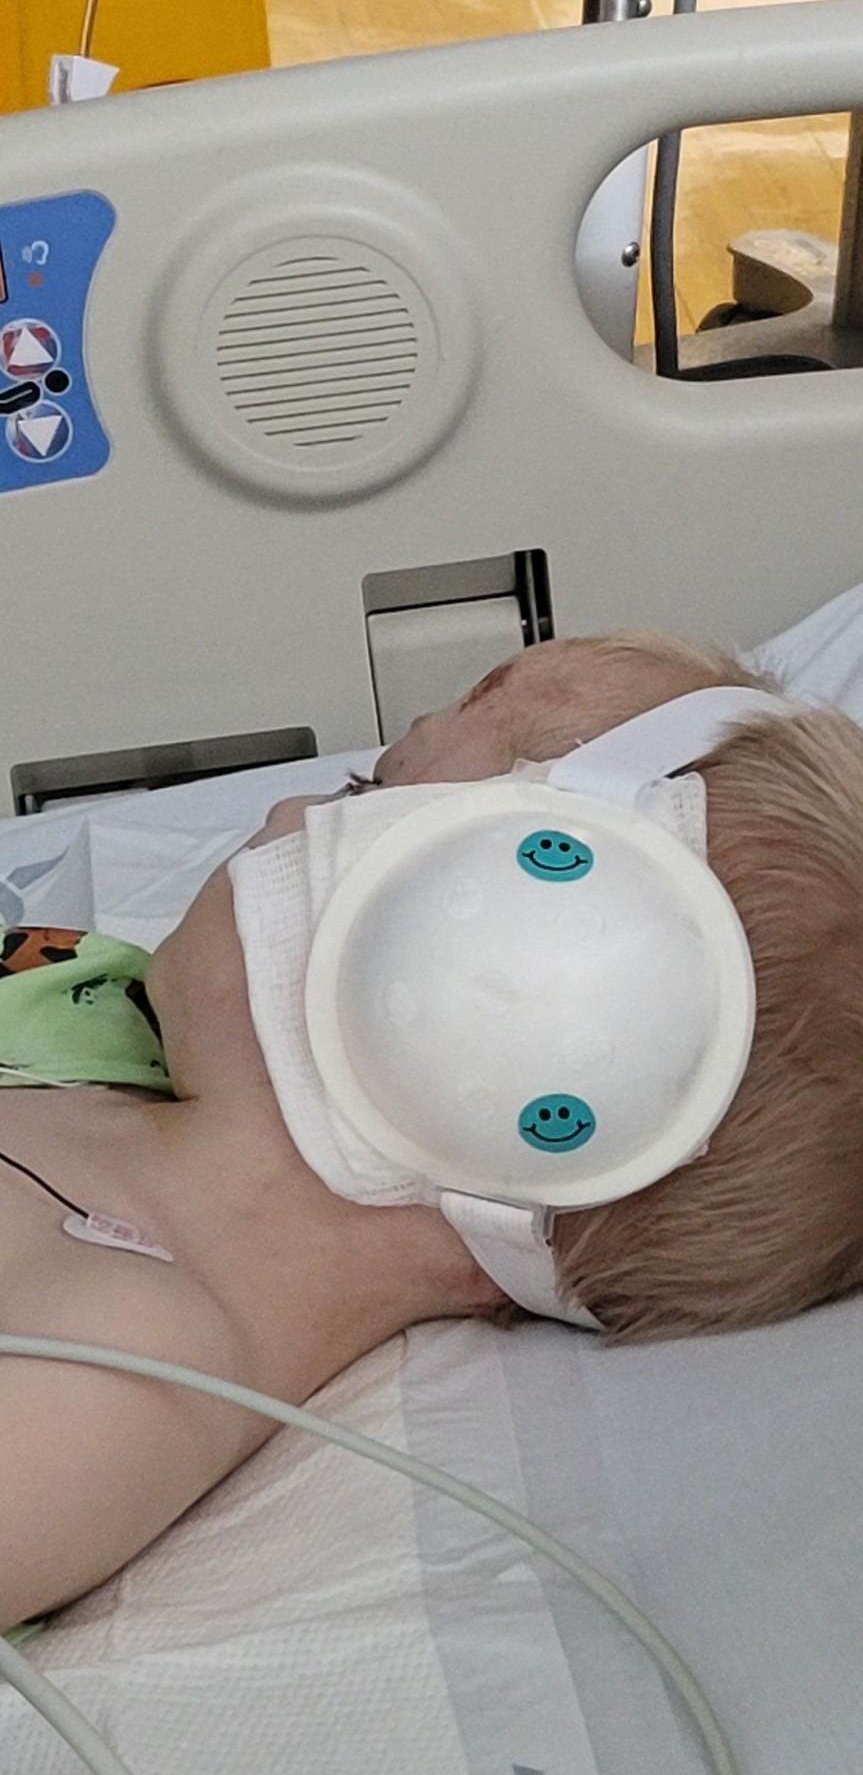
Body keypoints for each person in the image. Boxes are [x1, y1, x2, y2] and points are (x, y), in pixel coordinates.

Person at [2, 625, 863, 1634]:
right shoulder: (95, 1013)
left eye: (362, 796)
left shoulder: (104, 1377)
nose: (282, 809)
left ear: (488, 989)